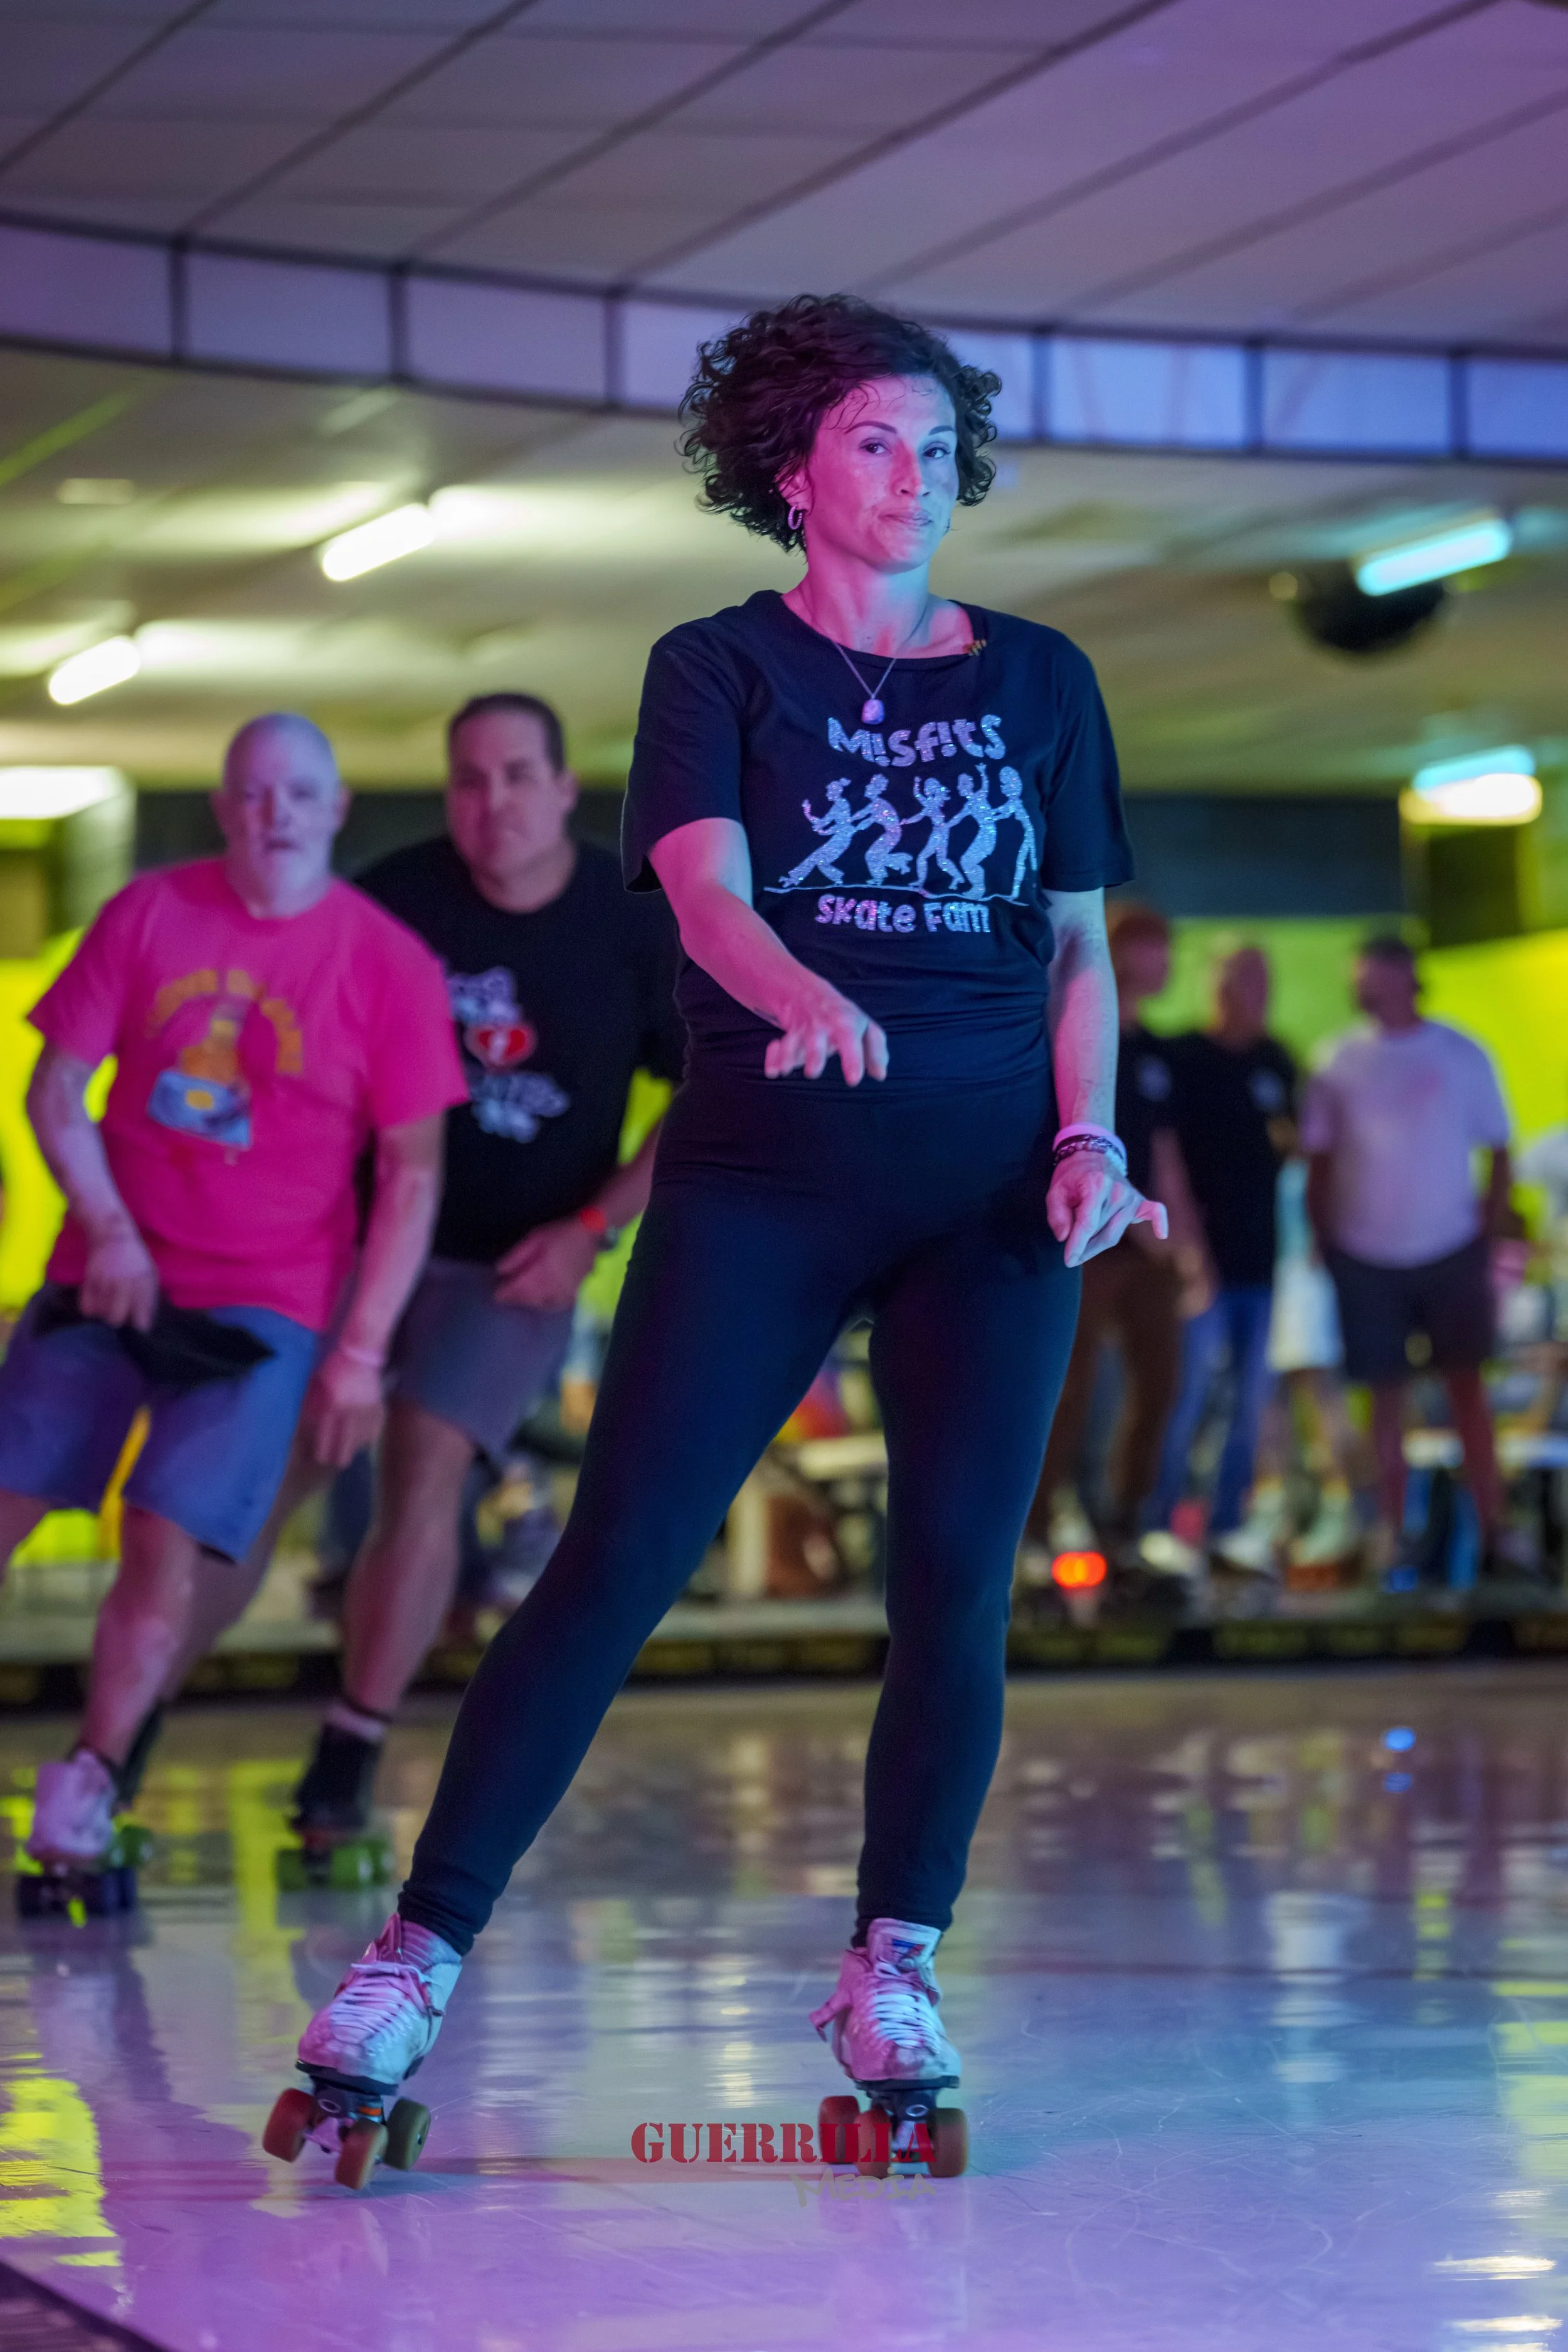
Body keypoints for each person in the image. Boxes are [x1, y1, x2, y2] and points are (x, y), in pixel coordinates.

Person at [286, 294, 1165, 2132]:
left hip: (991, 1202)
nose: (912, 477)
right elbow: (701, 897)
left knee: (950, 1585)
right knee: (613, 1564)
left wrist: (1085, 1136)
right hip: (761, 1184)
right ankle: (413, 1954)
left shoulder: (1040, 678)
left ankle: (889, 1969)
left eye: (935, 449)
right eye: (872, 443)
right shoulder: (718, 666)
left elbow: (1075, 944)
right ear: (788, 467)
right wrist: (793, 992)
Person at [0, 714, 467, 1870]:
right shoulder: (150, 912)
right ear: (223, 806)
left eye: (300, 793)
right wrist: (105, 1228)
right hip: (111, 1275)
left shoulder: (385, 964)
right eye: (254, 793)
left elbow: (413, 1177)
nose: (276, 815)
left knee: (164, 1546)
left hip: (265, 1304)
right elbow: (59, 1090)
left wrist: (358, 1353)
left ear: (337, 809)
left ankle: (89, 1788)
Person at [283, 691, 686, 1836]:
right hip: (366, 1249)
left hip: (517, 1265)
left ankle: (350, 1747)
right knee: (280, 1468)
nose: (491, 802)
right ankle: (128, 1731)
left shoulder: (631, 922)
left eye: (517, 776)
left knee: (426, 1461)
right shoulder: (394, 901)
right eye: (469, 779)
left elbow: (709, 1091)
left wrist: (592, 1226)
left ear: (564, 789)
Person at [1300, 934, 1512, 1578]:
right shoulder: (1335, 1059)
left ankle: (1496, 1536)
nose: (1361, 987)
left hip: (1450, 1249)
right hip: (1364, 1256)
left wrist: (1486, 1233)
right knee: (1382, 1400)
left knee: (1467, 1390)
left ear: (1405, 978)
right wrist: (1328, 1240)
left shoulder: (1458, 1054)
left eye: (1372, 975)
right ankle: (1393, 1538)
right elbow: (1318, 1159)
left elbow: (1498, 1149)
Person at [1025, 902, 1204, 1569]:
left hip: (1145, 1243)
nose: (1162, 964)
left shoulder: (1156, 1051)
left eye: (1166, 950)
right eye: (1151, 948)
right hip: (1082, 1241)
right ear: (1118, 951)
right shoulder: (1063, 1033)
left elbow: (1165, 1155)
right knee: (1065, 1389)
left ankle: (1128, 1524)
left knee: (1162, 1384)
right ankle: (1035, 1529)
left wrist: (1187, 1245)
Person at [1150, 943, 1297, 1567]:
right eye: (1232, 978)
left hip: (1261, 1260)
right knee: (1181, 1399)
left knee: (1248, 1402)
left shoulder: (1276, 1060)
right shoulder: (1182, 1057)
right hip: (1196, 1263)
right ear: (1211, 985)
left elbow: (1293, 1146)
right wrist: (1188, 1250)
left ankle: (1227, 1525)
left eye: (1256, 978)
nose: (1244, 991)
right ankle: (1152, 1527)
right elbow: (1165, 1158)